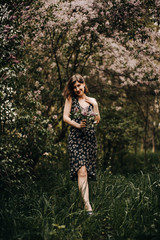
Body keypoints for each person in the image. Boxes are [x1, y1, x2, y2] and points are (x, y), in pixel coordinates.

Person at [63, 73, 100, 215]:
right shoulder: (70, 99)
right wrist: (77, 125)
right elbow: (65, 117)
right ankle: (88, 207)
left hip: (89, 139)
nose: (77, 89)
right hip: (76, 138)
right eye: (74, 87)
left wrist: (95, 105)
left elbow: (97, 120)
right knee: (81, 170)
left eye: (79, 85)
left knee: (85, 172)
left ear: (83, 84)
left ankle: (82, 200)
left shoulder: (92, 101)